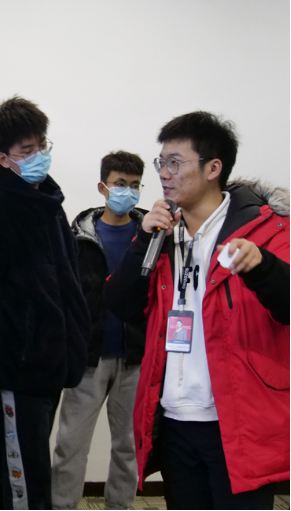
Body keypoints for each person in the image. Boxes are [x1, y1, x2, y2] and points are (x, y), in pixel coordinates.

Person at [104, 111, 290, 510]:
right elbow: (121, 305)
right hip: (173, 420)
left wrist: (263, 267)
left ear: (213, 168)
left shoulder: (268, 231)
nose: (163, 174)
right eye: (161, 163)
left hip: (238, 424)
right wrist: (143, 242)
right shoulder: (162, 234)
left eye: (175, 163)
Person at [0, 96, 90, 510]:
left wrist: (77, 343)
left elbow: (68, 286)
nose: (39, 156)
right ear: (3, 158)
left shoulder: (50, 206)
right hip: (13, 371)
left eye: (42, 146)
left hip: (50, 368)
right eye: (27, 151)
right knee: (24, 484)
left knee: (16, 477)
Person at [51, 151, 147, 510]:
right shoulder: (77, 237)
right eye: (120, 184)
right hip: (89, 357)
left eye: (135, 185)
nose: (128, 192)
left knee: (129, 447)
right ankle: (62, 505)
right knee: (70, 444)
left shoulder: (152, 237)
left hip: (136, 357)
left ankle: (120, 505)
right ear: (102, 187)